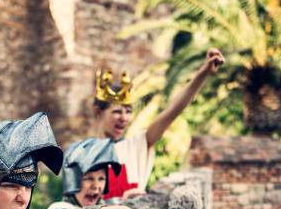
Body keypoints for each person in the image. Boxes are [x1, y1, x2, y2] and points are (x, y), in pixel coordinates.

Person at [93, 48, 225, 200]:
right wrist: (117, 203)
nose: (124, 118)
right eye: (117, 112)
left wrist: (203, 73)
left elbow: (172, 111)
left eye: (128, 111)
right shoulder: (84, 153)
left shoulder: (136, 145)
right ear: (98, 112)